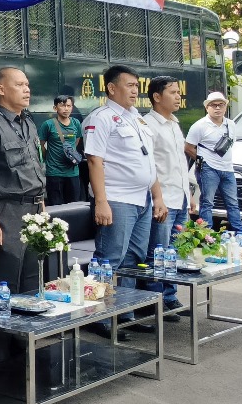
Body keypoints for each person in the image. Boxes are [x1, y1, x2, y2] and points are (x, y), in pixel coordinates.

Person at [83, 65, 168, 335]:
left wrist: (157, 196)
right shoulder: (101, 118)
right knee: (109, 259)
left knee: (133, 260)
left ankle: (125, 312)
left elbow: (148, 161)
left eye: (136, 86)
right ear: (111, 88)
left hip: (142, 199)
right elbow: (94, 160)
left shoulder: (137, 118)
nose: (135, 91)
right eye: (129, 85)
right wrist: (101, 201)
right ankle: (98, 315)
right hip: (117, 199)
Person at [0, 67, 45, 294]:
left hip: (35, 209)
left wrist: (42, 208)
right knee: (6, 281)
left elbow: (36, 168)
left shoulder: (29, 123)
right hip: (7, 212)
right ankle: (2, 320)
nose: (27, 90)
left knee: (33, 279)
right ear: (0, 89)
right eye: (19, 85)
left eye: (27, 85)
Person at [142, 76, 187, 320]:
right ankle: (154, 299)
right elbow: (150, 167)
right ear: (157, 97)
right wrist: (157, 197)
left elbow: (179, 163)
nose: (178, 96)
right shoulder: (148, 125)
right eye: (173, 92)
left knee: (174, 252)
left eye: (178, 92)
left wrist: (189, 195)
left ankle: (170, 296)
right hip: (163, 199)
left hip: (180, 197)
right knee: (158, 252)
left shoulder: (174, 123)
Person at [186, 92, 242, 245]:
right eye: (214, 105)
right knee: (207, 202)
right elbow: (188, 147)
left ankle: (240, 233)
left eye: (221, 105)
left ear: (226, 107)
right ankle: (207, 235)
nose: (217, 108)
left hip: (227, 168)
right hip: (208, 169)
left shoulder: (231, 124)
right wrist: (201, 160)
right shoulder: (199, 126)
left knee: (232, 202)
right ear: (207, 107)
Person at [38, 95, 83, 205]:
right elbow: (41, 145)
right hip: (54, 172)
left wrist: (69, 154)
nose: (66, 109)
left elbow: (76, 142)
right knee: (56, 206)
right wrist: (48, 158)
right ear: (55, 108)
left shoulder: (76, 123)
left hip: (73, 172)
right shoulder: (48, 125)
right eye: (62, 106)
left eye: (69, 106)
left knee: (73, 206)